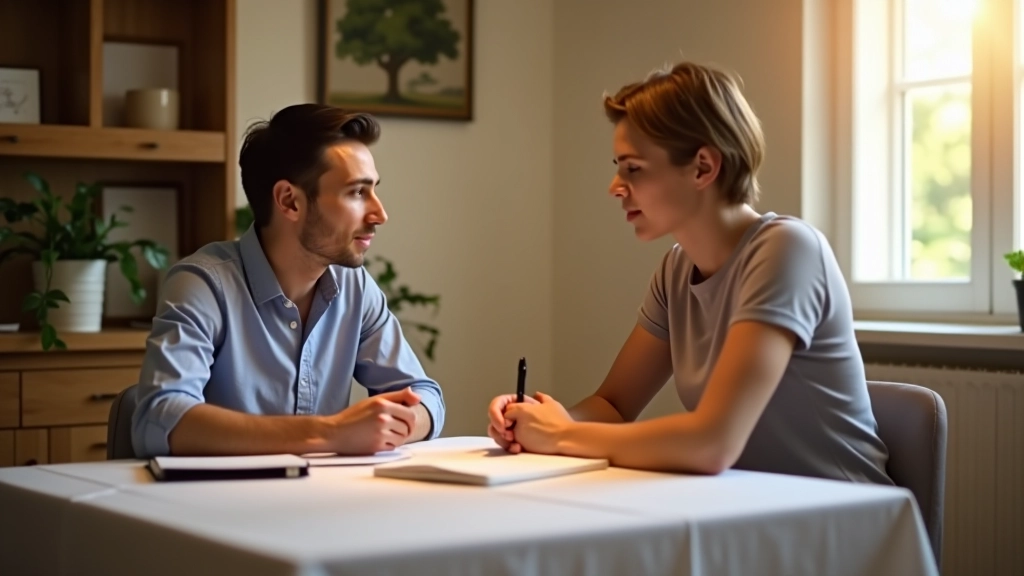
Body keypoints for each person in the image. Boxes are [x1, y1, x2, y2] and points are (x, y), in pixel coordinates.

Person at [487, 61, 892, 485]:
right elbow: (614, 405)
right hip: (751, 511)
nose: (615, 186)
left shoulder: (788, 250)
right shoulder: (677, 270)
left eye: (633, 168)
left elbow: (711, 443)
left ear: (703, 167)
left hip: (846, 519)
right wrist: (536, 422)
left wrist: (566, 435)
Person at [131, 103, 445, 458]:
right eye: (357, 192)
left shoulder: (355, 288)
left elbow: (426, 398)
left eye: (373, 190)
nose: (380, 214)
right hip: (219, 508)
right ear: (289, 201)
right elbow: (160, 420)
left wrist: (393, 422)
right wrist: (331, 433)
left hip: (322, 502)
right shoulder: (203, 285)